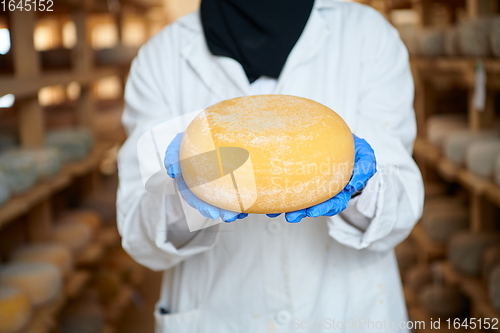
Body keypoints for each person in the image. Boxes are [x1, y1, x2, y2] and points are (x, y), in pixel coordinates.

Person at [117, 0, 424, 331]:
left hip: (347, 310)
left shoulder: (368, 36)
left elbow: (402, 210)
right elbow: (139, 236)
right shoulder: (161, 58)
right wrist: (185, 199)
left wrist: (357, 187)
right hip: (219, 315)